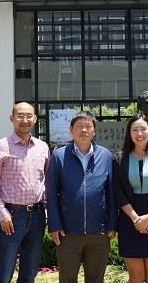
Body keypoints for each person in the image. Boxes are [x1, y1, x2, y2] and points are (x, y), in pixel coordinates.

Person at [46, 110, 117, 283]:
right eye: (79, 126)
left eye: (88, 126)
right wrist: (55, 225)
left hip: (98, 232)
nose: (84, 130)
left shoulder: (106, 156)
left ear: (94, 131)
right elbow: (52, 193)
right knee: (67, 279)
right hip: (68, 232)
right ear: (71, 130)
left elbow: (111, 192)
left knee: (96, 279)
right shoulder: (59, 156)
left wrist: (112, 223)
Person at [0, 102, 50, 283]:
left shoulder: (42, 147)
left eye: (29, 116)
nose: (25, 120)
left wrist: (46, 212)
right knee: (5, 274)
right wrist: (2, 213)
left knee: (30, 273)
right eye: (20, 116)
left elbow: (46, 181)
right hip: (11, 217)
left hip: (37, 216)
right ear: (12, 118)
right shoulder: (1, 146)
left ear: (35, 119)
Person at [112, 113, 148, 283]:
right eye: (135, 129)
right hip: (129, 219)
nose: (139, 133)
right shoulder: (119, 158)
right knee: (136, 275)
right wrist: (136, 219)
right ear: (129, 133)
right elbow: (118, 190)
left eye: (143, 129)